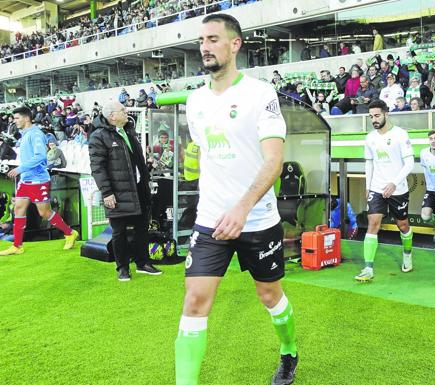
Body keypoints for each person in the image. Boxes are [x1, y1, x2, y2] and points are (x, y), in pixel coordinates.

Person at [177, 14, 298, 385]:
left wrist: (243, 207)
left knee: (269, 294)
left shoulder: (260, 94)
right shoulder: (195, 101)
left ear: (235, 44)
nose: (205, 47)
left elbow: (274, 161)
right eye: (201, 40)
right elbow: (200, 151)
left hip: (257, 219)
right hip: (212, 219)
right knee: (195, 300)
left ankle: (289, 351)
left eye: (213, 39)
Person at [89, 100, 162, 281]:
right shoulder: (98, 136)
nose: (126, 111)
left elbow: (134, 161)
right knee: (119, 230)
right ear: (112, 116)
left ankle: (142, 263)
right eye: (122, 110)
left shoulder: (129, 131)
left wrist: (146, 170)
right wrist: (106, 192)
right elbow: (98, 167)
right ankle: (122, 268)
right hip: (117, 191)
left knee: (142, 228)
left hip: (138, 188)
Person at [0, 106, 78, 256]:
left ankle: (69, 233)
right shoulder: (25, 134)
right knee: (18, 209)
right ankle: (17, 246)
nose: (14, 121)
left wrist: (20, 169)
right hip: (26, 180)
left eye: (17, 118)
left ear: (26, 118)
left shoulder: (35, 134)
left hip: (38, 180)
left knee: (44, 212)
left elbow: (41, 157)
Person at [356, 100, 414, 282]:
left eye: (377, 115)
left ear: (386, 114)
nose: (374, 119)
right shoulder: (369, 138)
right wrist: (368, 186)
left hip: (398, 189)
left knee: (402, 225)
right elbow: (369, 162)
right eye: (371, 116)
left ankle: (407, 254)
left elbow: (410, 163)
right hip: (377, 188)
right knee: (373, 223)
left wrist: (394, 183)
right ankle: (368, 268)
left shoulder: (400, 135)